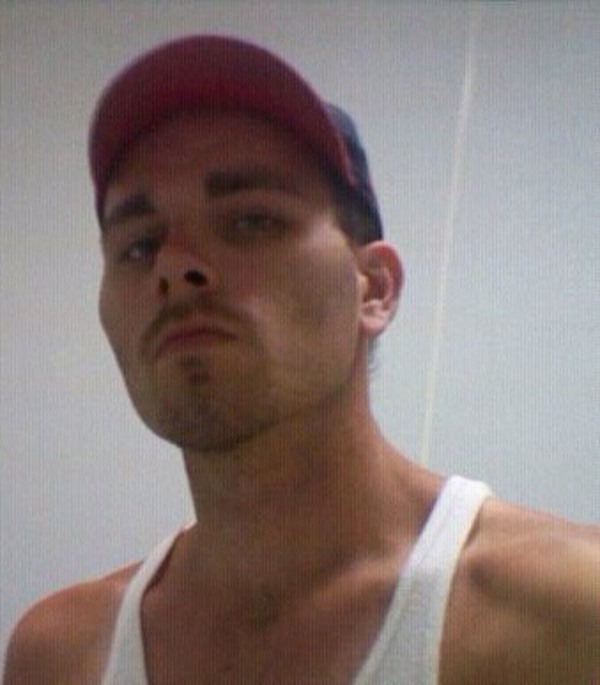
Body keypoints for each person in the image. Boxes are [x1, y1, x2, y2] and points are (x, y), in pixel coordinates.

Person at [3, 35, 599, 685]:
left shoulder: (565, 617)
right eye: (139, 245)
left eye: (250, 221)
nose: (173, 265)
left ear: (374, 288)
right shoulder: (60, 656)